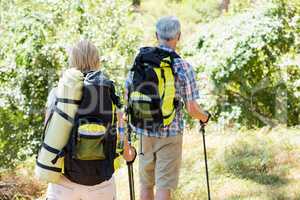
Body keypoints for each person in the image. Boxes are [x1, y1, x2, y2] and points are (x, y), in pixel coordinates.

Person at [125, 16, 210, 200]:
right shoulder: (183, 66)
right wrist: (205, 117)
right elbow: (192, 108)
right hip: (170, 134)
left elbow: (127, 93)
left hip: (144, 130)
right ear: (178, 36)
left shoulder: (141, 60)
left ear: (156, 35)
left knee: (146, 184)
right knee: (164, 185)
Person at [45, 40, 136, 200]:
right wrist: (131, 154)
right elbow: (123, 147)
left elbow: (48, 137)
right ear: (97, 61)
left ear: (72, 61)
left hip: (63, 183)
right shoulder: (108, 94)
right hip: (101, 185)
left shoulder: (58, 92)